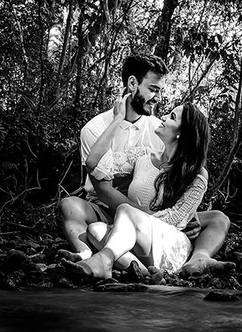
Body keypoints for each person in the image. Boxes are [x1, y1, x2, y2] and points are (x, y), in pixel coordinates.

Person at [57, 53, 232, 277]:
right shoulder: (95, 129)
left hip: (156, 221)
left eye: (160, 91)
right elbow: (100, 181)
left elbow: (175, 205)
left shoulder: (158, 130)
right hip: (106, 205)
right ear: (132, 84)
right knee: (78, 213)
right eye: (153, 89)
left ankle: (199, 257)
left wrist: (186, 215)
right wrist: (117, 120)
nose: (158, 99)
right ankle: (104, 259)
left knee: (217, 217)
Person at [64, 101, 211, 280]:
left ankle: (105, 259)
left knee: (124, 210)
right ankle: (147, 274)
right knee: (95, 230)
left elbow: (175, 219)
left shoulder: (197, 174)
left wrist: (131, 219)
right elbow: (93, 163)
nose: (163, 118)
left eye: (171, 117)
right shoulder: (142, 155)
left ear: (183, 134)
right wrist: (117, 119)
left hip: (169, 243)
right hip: (134, 239)